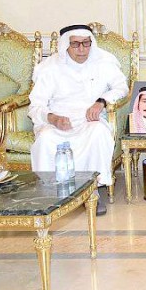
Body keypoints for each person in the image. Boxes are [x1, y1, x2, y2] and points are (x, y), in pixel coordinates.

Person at [29, 24, 128, 215]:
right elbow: (35, 105)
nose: (81, 49)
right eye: (75, 44)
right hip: (57, 121)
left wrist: (101, 101)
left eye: (86, 43)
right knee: (46, 139)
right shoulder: (50, 68)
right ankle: (52, 194)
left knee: (98, 133)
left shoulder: (103, 62)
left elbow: (121, 88)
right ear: (66, 45)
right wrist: (52, 118)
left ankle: (93, 192)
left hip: (89, 118)